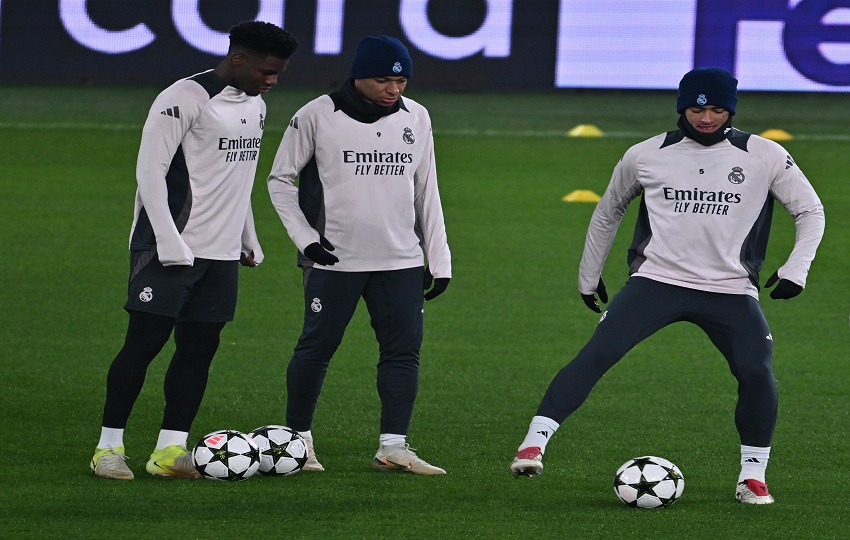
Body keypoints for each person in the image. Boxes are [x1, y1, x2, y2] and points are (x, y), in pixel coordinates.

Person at [509, 67, 824, 504]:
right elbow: (608, 211)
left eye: (717, 109)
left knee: (756, 371)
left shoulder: (764, 154)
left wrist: (796, 270)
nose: (707, 118)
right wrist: (588, 274)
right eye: (697, 108)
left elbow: (811, 211)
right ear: (682, 107)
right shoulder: (646, 154)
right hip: (657, 281)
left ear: (731, 109)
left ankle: (752, 477)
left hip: (731, 290)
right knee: (598, 353)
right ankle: (533, 444)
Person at [89, 21, 299, 480]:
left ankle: (169, 451)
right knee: (143, 344)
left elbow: (237, 177)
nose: (273, 80)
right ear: (238, 59)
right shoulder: (183, 97)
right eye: (267, 71)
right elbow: (149, 172)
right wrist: (167, 239)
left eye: (278, 73)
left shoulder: (256, 106)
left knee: (200, 349)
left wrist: (248, 234)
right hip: (168, 247)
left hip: (221, 253)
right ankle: (108, 448)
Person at [267, 35, 451, 475]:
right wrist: (306, 239)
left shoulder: (417, 117)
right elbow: (280, 180)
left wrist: (438, 257)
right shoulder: (316, 115)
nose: (394, 89)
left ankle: (394, 447)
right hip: (334, 260)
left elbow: (426, 189)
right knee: (317, 348)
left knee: (403, 352)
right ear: (358, 77)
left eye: (401, 79)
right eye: (384, 80)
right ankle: (298, 442)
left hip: (400, 260)